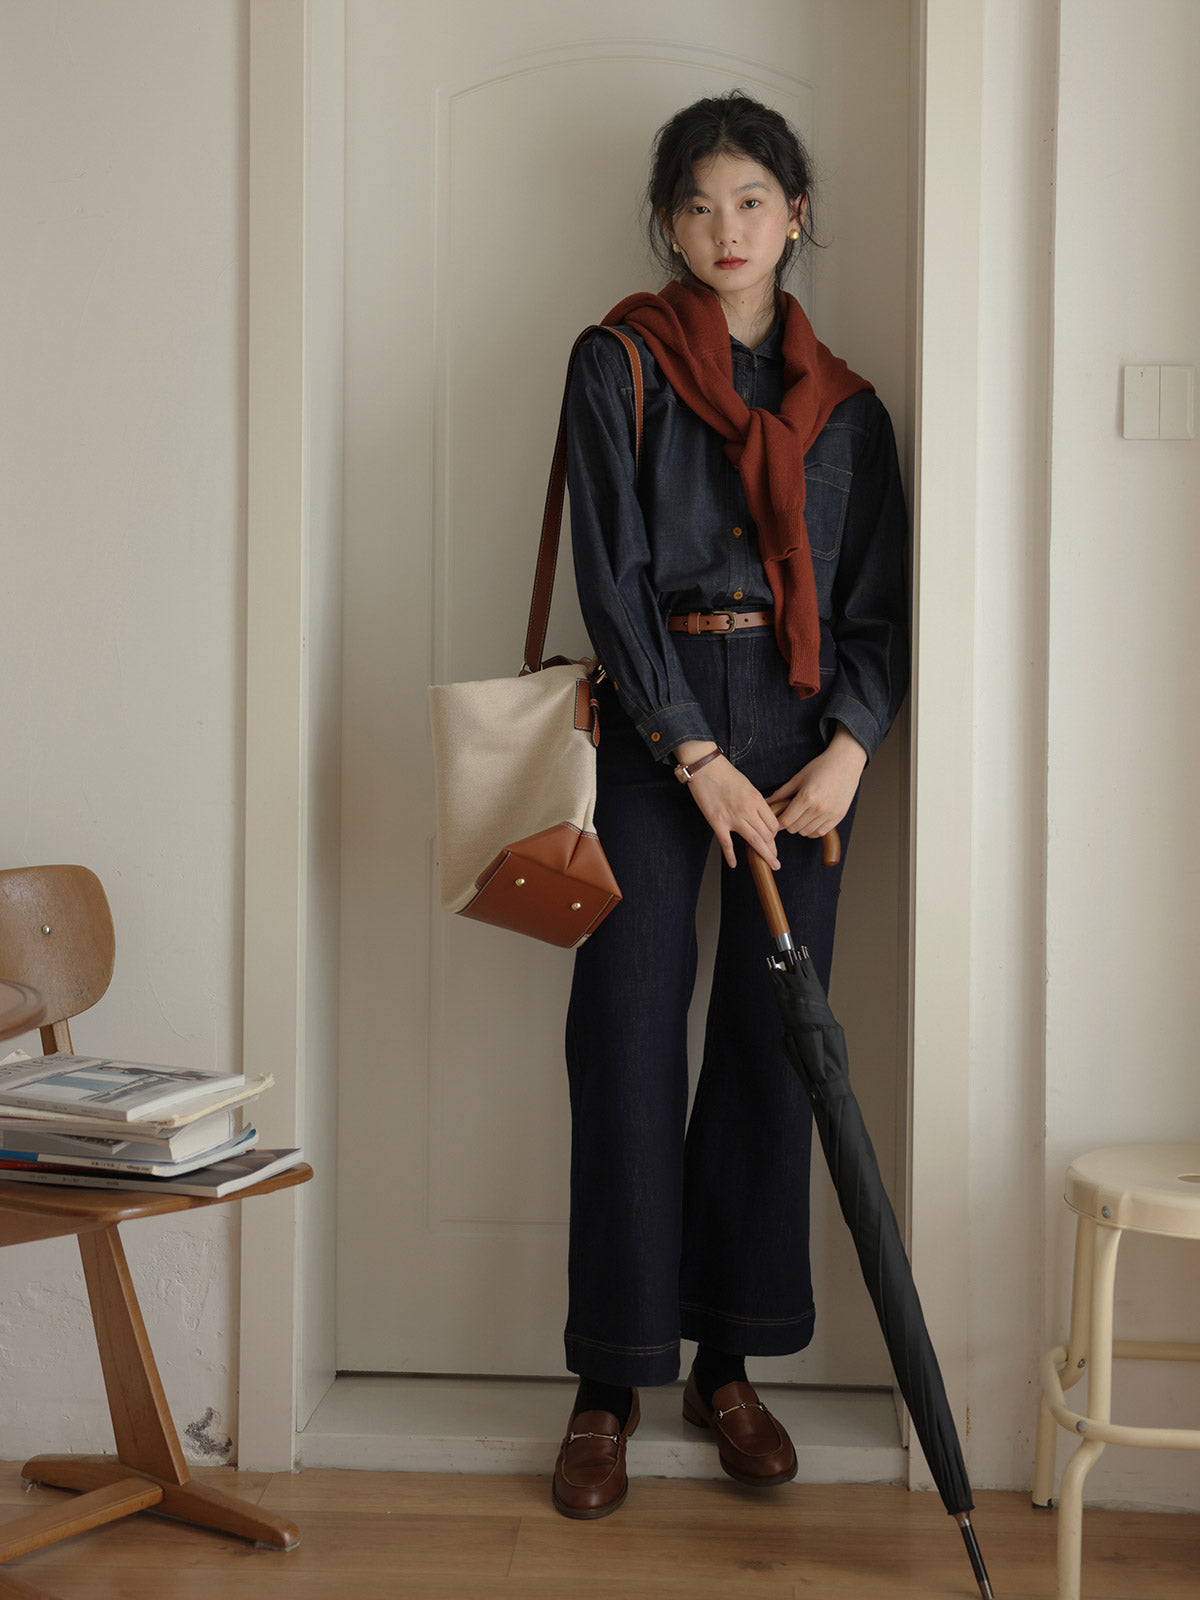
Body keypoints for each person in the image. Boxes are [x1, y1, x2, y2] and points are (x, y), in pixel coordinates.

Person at [552, 91, 908, 1520]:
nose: (726, 228)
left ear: (795, 214)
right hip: (660, 731)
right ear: (667, 222)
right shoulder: (618, 362)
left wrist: (854, 750)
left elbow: (878, 604)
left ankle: (728, 1364)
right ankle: (609, 1380)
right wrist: (693, 753)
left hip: (804, 738)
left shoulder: (850, 410)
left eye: (752, 200)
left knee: (774, 1049)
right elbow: (612, 574)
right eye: (697, 205)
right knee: (626, 1039)